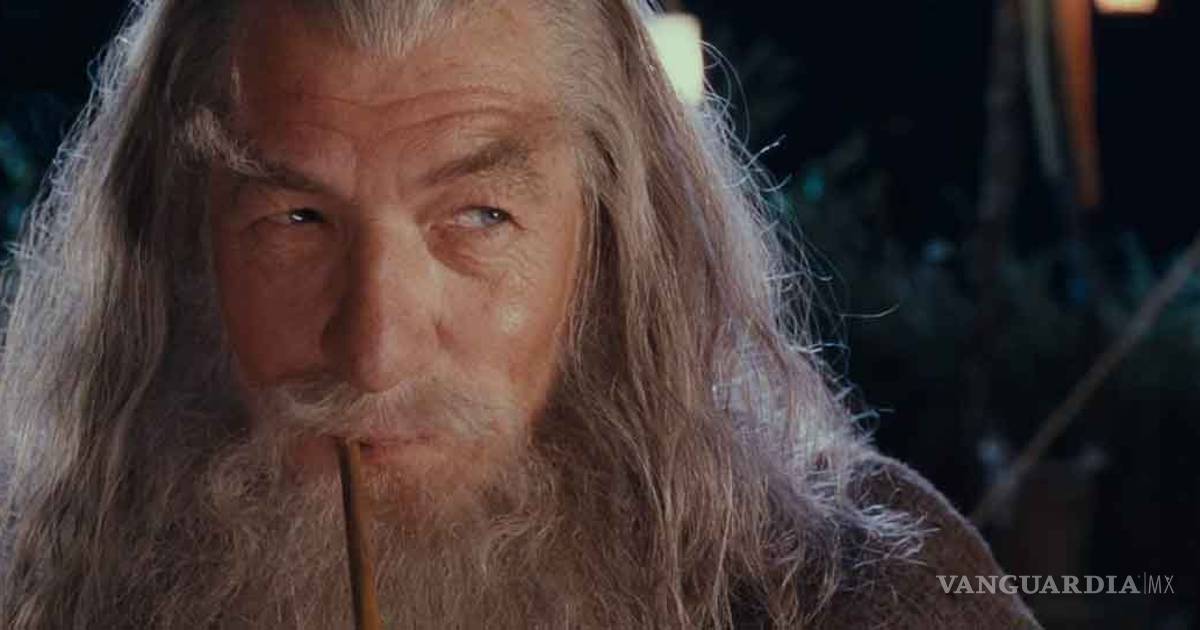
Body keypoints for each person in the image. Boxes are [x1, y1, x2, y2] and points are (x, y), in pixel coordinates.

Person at [0, 0, 1040, 627]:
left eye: (480, 216)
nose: (374, 353)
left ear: (614, 246)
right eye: (296, 218)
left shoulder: (862, 593)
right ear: (181, 248)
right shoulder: (44, 588)